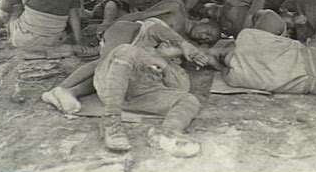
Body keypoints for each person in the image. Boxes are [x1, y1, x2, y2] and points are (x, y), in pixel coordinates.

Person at [42, 18, 209, 157]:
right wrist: (183, 44)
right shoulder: (139, 44)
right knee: (126, 51)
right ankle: (111, 124)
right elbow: (157, 29)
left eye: (173, 46)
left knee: (190, 100)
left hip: (139, 97)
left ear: (179, 59)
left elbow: (180, 89)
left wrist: (163, 65)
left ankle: (168, 133)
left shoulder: (174, 67)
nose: (166, 42)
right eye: (166, 41)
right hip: (111, 86)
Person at [97, 0, 221, 45]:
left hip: (134, 44)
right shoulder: (176, 8)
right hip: (127, 31)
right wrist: (107, 25)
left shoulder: (184, 40)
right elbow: (140, 15)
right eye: (208, 32)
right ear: (204, 20)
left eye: (207, 39)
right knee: (110, 6)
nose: (204, 37)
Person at [204, 0, 286, 37]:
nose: (203, 11)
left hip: (265, 23)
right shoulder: (220, 28)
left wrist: (249, 18)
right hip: (255, 40)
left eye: (202, 7)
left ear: (213, 1)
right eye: (200, 13)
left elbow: (259, 1)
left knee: (265, 14)